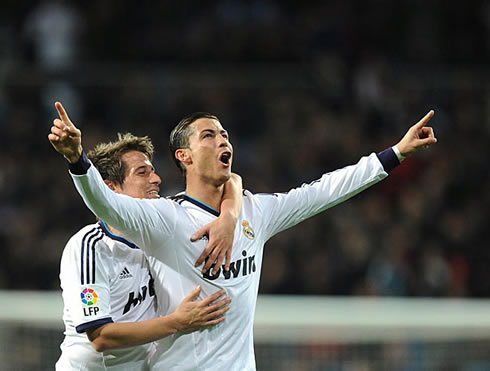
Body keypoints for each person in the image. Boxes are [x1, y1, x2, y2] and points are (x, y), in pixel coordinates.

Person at [49, 102, 437, 370]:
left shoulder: (256, 211)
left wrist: (396, 153)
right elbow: (106, 205)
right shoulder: (164, 220)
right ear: (183, 156)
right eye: (208, 136)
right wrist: (77, 161)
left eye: (225, 135)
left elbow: (324, 191)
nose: (223, 141)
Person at [54, 132, 241, 370]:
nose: (156, 179)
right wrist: (177, 322)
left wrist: (229, 217)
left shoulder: (164, 232)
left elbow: (231, 180)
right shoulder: (91, 246)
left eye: (153, 170)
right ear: (110, 188)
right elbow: (101, 337)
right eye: (142, 172)